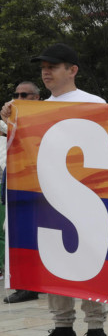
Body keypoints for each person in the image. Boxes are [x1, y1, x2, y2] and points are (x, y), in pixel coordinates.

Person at [1, 44, 108, 336]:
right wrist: (9, 122)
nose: (46, 71)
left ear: (73, 70)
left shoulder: (94, 103)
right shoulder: (38, 109)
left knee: (89, 264)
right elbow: (23, 148)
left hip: (88, 199)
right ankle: (62, 329)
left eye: (53, 65)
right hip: (49, 197)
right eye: (43, 66)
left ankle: (96, 330)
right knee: (55, 264)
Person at [2, 81, 42, 303]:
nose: (18, 97)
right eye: (16, 94)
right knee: (16, 231)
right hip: (19, 181)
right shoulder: (13, 118)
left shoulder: (47, 116)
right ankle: (26, 285)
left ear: (36, 98)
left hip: (37, 184)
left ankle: (31, 285)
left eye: (24, 94)